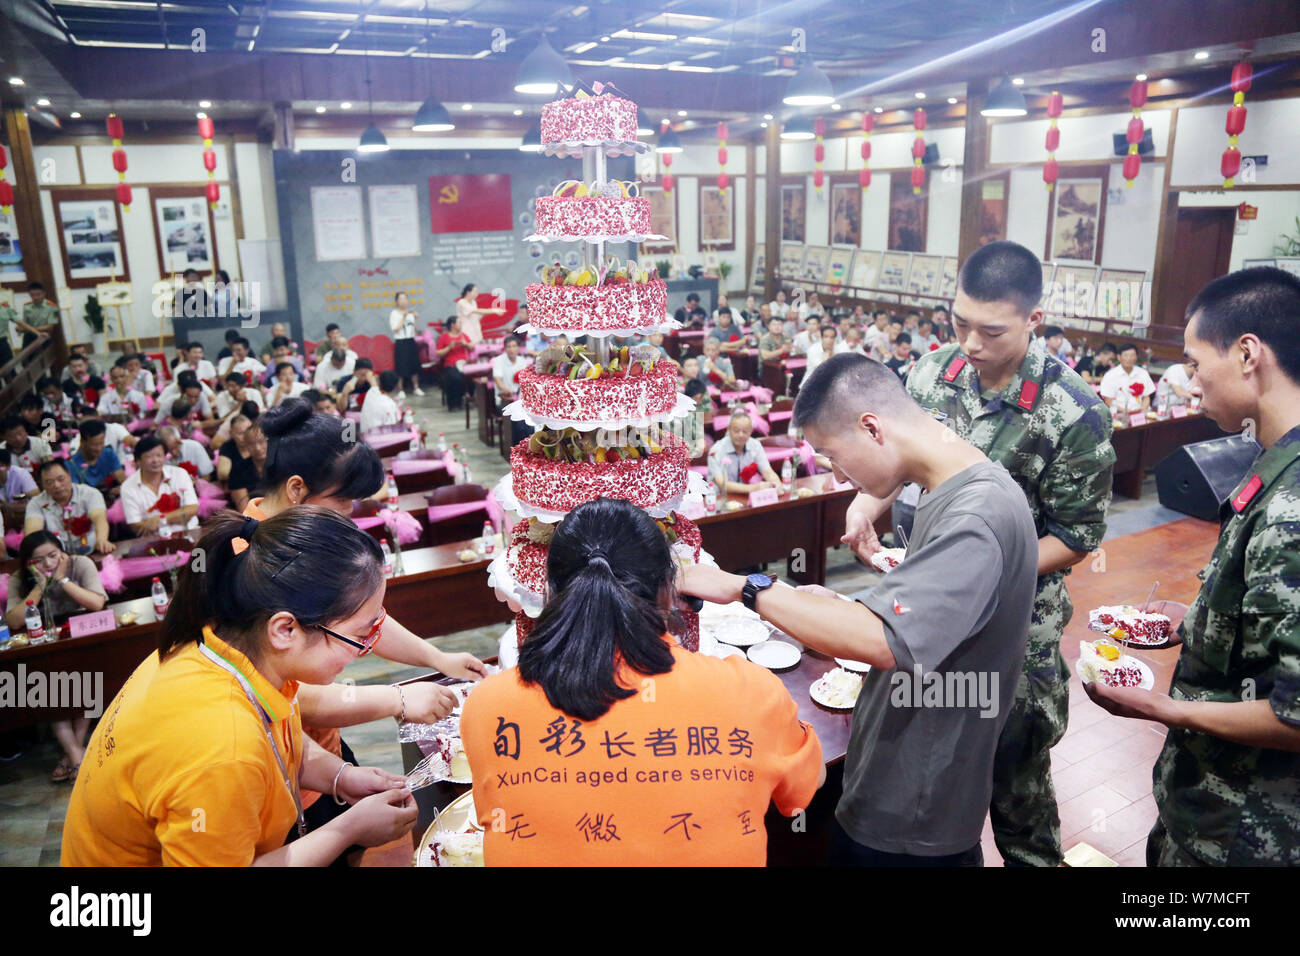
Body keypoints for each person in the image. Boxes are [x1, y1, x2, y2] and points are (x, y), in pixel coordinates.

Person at [683, 354, 1037, 865]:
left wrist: (746, 587)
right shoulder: (951, 487)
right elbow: (927, 617)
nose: (835, 471)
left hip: (916, 803)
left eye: (830, 454)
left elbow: (883, 638)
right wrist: (840, 607)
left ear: (871, 427)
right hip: (897, 775)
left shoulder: (976, 514)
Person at [840, 240, 1116, 867]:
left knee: (1017, 788)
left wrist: (977, 575)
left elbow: (1077, 537)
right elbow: (895, 463)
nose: (969, 343)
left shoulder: (1075, 414)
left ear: (1033, 321)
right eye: (958, 322)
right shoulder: (929, 375)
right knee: (929, 764)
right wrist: (866, 503)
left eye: (990, 331)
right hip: (925, 611)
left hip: (1015, 626)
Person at [462, 497, 823, 865]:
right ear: (670, 592)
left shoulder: (489, 706)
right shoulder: (752, 692)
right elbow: (806, 787)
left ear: (550, 593)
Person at [61, 507, 421, 866]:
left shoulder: (230, 650)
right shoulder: (221, 747)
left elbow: (281, 739)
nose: (367, 649)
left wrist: (341, 776)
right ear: (285, 630)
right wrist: (349, 829)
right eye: (360, 635)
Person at [1086, 267, 1300, 866]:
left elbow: (1296, 711)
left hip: (1248, 829)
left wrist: (1163, 709)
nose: (1190, 384)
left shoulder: (1292, 507)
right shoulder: (1276, 465)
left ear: (1248, 354)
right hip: (1209, 806)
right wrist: (1197, 620)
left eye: (1195, 363)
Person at [7, 531, 108, 783]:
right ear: (27, 563)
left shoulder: (79, 563)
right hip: (44, 646)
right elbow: (14, 620)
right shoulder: (20, 578)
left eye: (53, 556)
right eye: (38, 560)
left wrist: (62, 579)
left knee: (87, 676)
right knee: (50, 685)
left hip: (84, 640)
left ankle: (71, 754)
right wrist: (40, 585)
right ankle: (77, 755)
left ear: (62, 552)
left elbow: (97, 603)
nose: (48, 564)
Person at [23, 459, 111, 556]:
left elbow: (99, 518)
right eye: (49, 482)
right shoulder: (36, 503)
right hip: (55, 558)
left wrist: (102, 540)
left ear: (69, 476)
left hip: (91, 551)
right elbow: (33, 533)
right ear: (42, 485)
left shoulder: (90, 494)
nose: (56, 485)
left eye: (61, 479)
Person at [120, 435, 200, 535]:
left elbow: (192, 509)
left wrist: (160, 519)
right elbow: (135, 525)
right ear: (138, 461)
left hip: (188, 532)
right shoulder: (128, 487)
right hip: (153, 539)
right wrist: (177, 516)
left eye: (159, 455)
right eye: (149, 456)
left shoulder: (179, 474)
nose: (156, 460)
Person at [708, 410, 781, 495]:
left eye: (745, 431)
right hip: (720, 498)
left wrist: (776, 484)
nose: (741, 435)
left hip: (745, 495)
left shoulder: (755, 445)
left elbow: (767, 472)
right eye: (736, 431)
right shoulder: (716, 450)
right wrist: (754, 488)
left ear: (751, 431)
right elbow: (722, 484)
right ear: (728, 430)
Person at [68, 419, 126, 498]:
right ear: (82, 442)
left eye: (101, 443)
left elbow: (122, 479)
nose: (99, 448)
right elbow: (77, 495)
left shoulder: (109, 454)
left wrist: (121, 489)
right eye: (94, 445)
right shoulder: (71, 465)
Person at [1099, 343, 1156, 415]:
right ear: (1119, 357)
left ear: (1136, 357)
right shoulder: (1110, 375)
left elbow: (1146, 397)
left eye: (1132, 355)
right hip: (1118, 414)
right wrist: (1127, 412)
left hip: (1139, 414)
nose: (1129, 359)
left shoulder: (1143, 373)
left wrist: (1142, 410)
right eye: (1126, 355)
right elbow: (1108, 401)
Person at [390, 291, 424, 397]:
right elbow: (395, 329)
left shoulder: (410, 314)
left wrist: (415, 318)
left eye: (405, 299)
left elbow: (415, 329)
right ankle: (400, 390)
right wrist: (403, 317)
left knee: (414, 365)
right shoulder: (394, 314)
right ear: (396, 301)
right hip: (400, 341)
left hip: (411, 340)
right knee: (401, 366)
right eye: (400, 299)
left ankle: (416, 387)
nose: (403, 301)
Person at [436, 316, 474, 410]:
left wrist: (466, 344)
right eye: (459, 323)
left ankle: (469, 398)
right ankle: (454, 403)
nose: (461, 325)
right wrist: (449, 348)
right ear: (452, 325)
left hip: (464, 364)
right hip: (451, 365)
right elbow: (438, 353)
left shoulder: (463, 336)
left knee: (473, 379)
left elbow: (473, 347)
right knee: (455, 378)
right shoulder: (444, 337)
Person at [227, 423, 267, 511]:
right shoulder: (238, 470)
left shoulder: (280, 464)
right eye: (251, 444)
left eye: (261, 441)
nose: (258, 448)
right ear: (246, 446)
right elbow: (244, 509)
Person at [217, 414, 258, 486]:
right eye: (240, 433)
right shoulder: (227, 447)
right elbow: (222, 473)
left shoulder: (258, 445)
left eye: (247, 431)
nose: (245, 436)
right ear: (231, 433)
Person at [15, 281, 58, 349]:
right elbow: (24, 323)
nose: (35, 297)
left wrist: (29, 329)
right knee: (25, 356)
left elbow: (50, 327)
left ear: (44, 293)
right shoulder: (26, 306)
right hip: (29, 336)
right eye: (32, 295)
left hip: (45, 335)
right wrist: (20, 328)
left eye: (38, 294)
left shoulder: (53, 306)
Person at [359, 370, 402, 434]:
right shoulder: (390, 405)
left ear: (379, 383)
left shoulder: (371, 392)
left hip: (364, 435)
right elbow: (392, 426)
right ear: (395, 387)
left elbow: (373, 383)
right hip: (379, 440)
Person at [680, 378, 711, 458]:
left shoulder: (702, 400)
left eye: (700, 398)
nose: (698, 401)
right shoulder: (684, 412)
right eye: (696, 398)